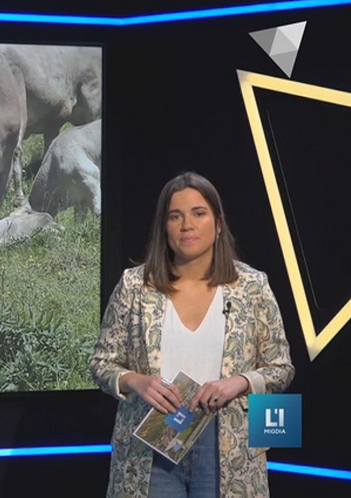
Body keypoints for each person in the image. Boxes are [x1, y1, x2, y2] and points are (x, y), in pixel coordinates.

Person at [89, 172, 295, 497]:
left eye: (198, 213)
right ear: (164, 227)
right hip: (153, 437)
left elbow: (280, 368)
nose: (187, 225)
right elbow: (102, 364)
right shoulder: (134, 286)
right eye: (175, 216)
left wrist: (238, 382)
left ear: (218, 223)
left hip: (226, 443)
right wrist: (136, 382)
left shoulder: (253, 287)